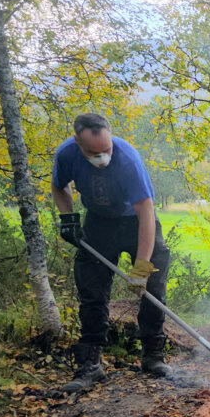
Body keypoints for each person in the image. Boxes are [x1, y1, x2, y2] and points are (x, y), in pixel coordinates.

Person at [52, 113, 171, 393]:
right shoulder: (67, 154)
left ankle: (153, 355)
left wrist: (141, 269)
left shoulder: (127, 159)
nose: (102, 157)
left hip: (135, 222)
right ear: (77, 143)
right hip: (98, 222)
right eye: (94, 152)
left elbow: (146, 213)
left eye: (106, 150)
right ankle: (90, 365)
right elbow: (59, 186)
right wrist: (69, 219)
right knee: (91, 290)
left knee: (153, 285)